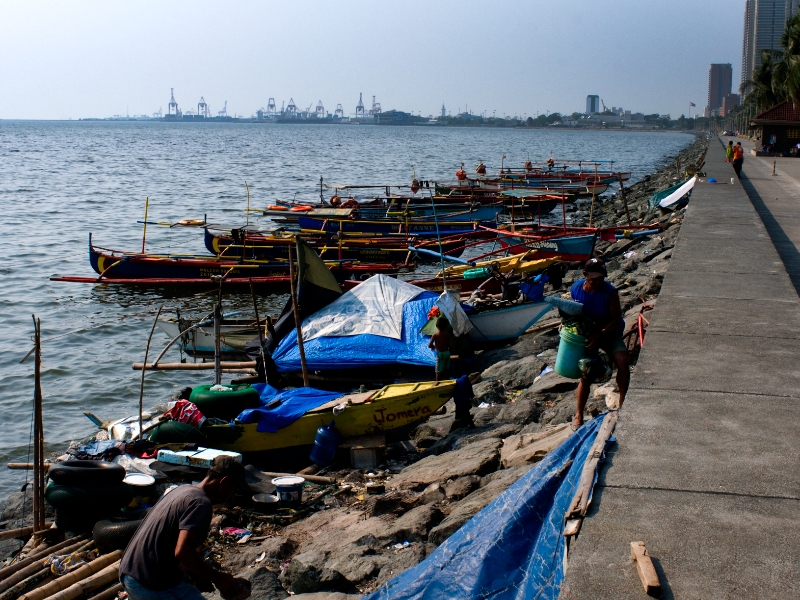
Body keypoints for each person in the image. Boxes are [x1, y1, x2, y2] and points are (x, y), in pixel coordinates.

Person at [120, 456, 252, 600]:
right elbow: (183, 552)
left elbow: (174, 544)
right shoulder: (201, 504)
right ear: (224, 481)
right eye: (234, 488)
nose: (233, 494)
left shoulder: (182, 490)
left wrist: (197, 575)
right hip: (150, 581)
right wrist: (219, 578)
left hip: (129, 572)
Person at [570, 258, 629, 428]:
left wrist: (600, 334)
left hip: (609, 331)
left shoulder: (610, 292)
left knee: (622, 361)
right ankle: (578, 414)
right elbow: (575, 312)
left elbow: (616, 320)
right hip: (589, 332)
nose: (597, 282)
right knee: (586, 371)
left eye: (600, 278)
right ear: (585, 275)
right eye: (593, 278)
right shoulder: (576, 289)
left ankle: (623, 404)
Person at [428, 316, 452, 383]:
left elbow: (429, 345)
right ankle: (447, 382)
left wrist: (434, 346)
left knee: (438, 371)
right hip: (447, 353)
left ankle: (437, 383)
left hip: (440, 354)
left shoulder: (435, 335)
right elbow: (451, 345)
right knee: (446, 369)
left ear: (436, 326)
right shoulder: (447, 335)